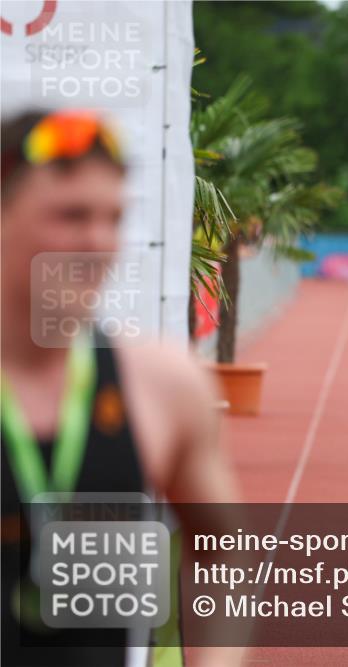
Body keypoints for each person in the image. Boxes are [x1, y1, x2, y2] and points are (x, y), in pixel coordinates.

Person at [1, 109, 244, 666]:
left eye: (113, 218)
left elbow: (226, 556)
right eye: (71, 215)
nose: (97, 242)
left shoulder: (163, 385)